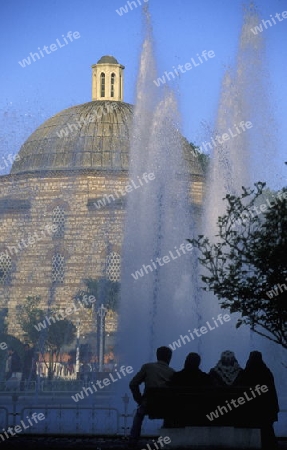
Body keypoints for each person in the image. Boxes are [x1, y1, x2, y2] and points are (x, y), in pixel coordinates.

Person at [128, 346, 174, 448]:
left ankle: (133, 439)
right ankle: (165, 439)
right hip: (165, 407)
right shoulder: (172, 372)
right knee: (171, 412)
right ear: (169, 358)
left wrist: (139, 400)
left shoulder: (147, 367)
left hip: (148, 405)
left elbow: (133, 384)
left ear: (157, 356)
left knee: (139, 414)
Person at [237, 351, 279, 449]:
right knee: (267, 431)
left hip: (251, 409)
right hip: (266, 409)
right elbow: (271, 393)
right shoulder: (266, 372)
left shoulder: (247, 372)